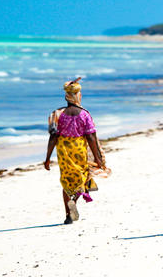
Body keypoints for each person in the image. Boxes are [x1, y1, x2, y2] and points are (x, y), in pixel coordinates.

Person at [44, 78, 108, 224]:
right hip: (79, 150)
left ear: (66, 96)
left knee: (67, 180)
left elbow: (53, 137)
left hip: (64, 151)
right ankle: (74, 200)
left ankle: (68, 214)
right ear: (78, 95)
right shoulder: (85, 114)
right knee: (82, 178)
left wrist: (47, 158)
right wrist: (97, 159)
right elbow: (91, 137)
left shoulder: (56, 114)